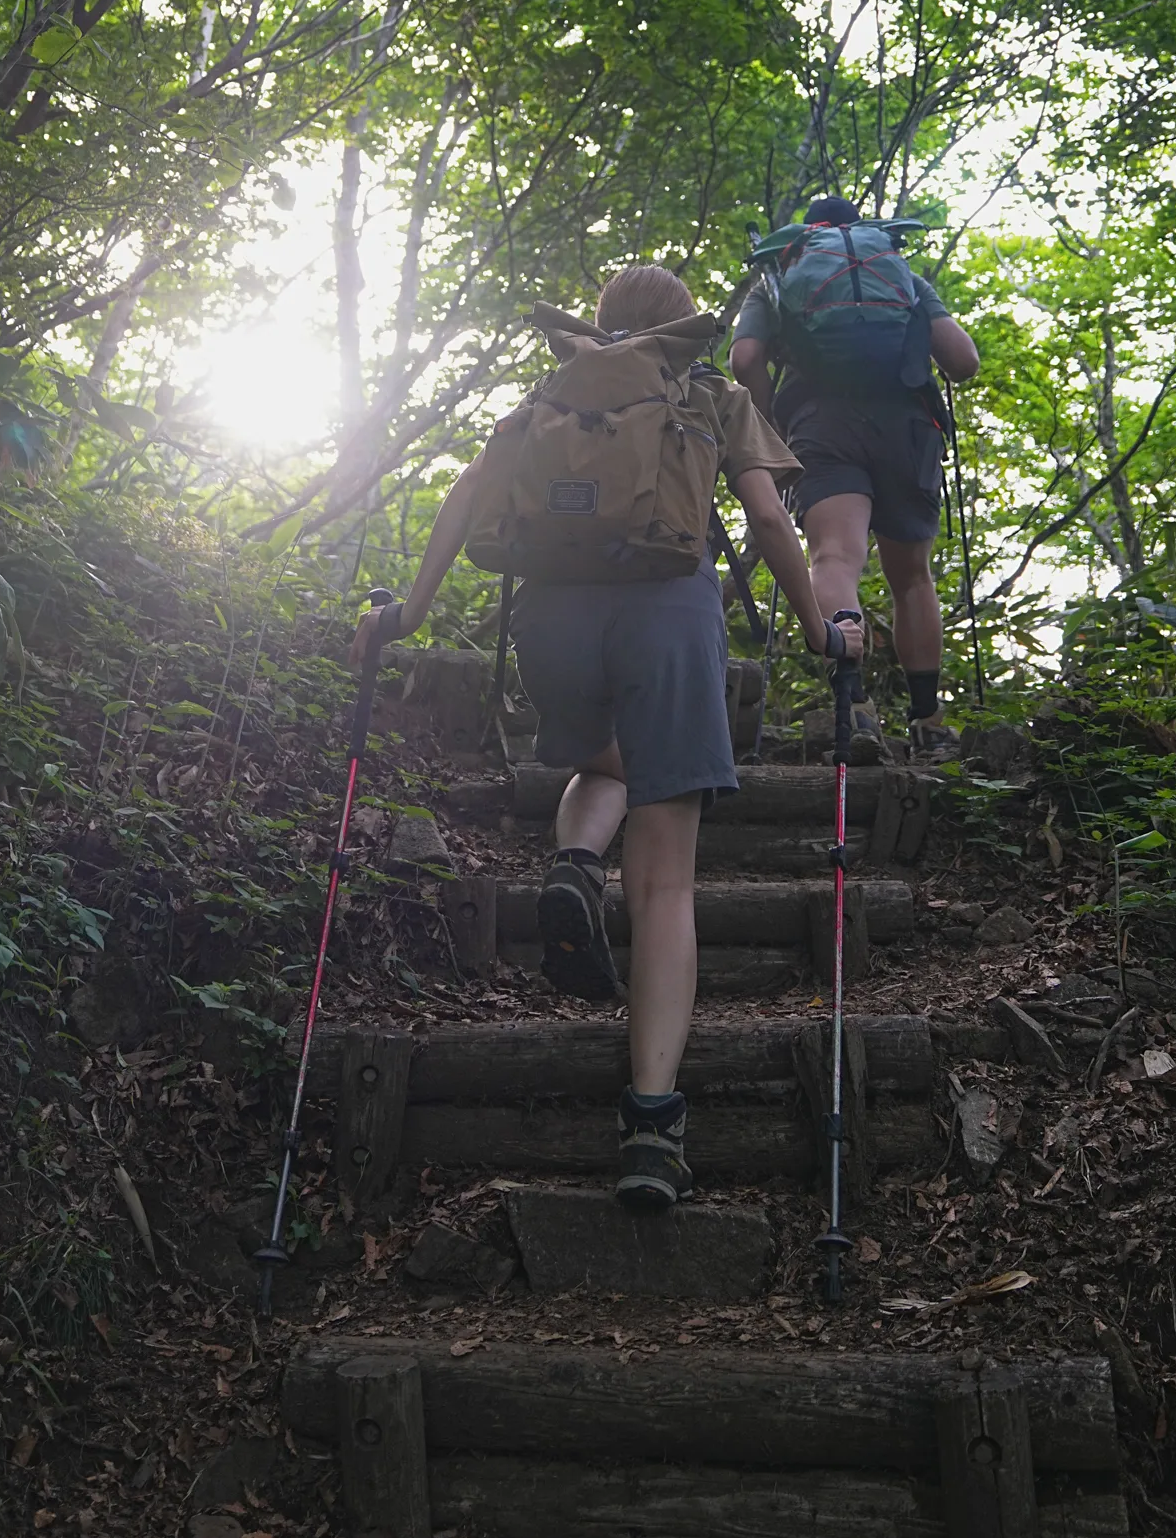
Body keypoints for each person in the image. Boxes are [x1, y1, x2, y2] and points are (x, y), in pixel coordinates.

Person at [350, 262, 862, 1212]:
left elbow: (470, 494)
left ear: (598, 324)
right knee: (667, 876)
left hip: (551, 618)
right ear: (682, 328)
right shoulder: (706, 389)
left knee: (606, 761)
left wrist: (411, 612)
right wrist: (814, 627)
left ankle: (575, 862)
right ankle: (653, 1124)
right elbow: (763, 515)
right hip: (668, 613)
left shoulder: (553, 394)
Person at [730, 195, 979, 731]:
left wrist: (769, 425)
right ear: (866, 236)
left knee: (836, 559)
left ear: (802, 239)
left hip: (821, 427)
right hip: (907, 424)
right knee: (912, 576)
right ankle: (927, 718)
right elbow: (964, 362)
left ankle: (854, 700)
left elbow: (744, 358)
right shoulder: (902, 277)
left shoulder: (777, 282)